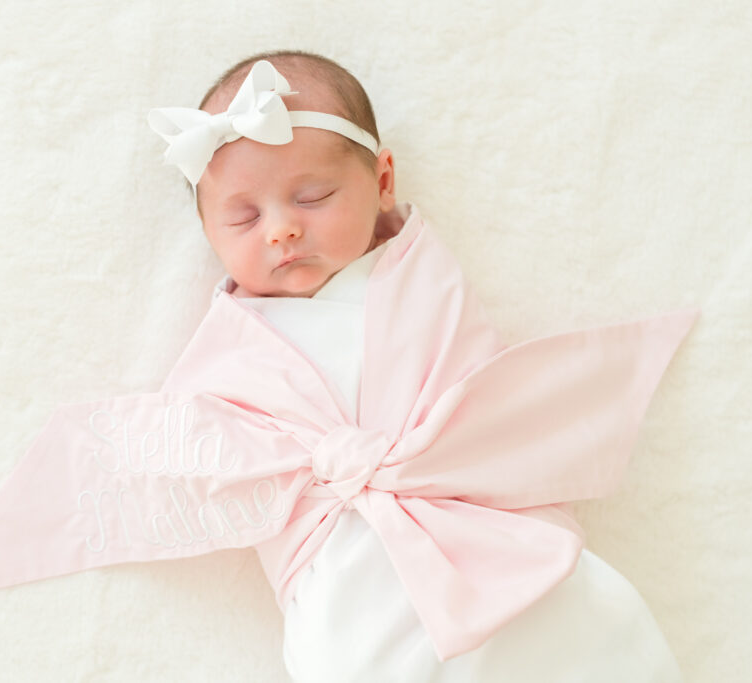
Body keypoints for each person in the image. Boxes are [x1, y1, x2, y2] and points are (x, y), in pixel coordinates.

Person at [152, 50, 684, 681]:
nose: (281, 230)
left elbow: (475, 391)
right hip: (344, 573)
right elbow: (196, 455)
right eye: (244, 216)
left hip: (472, 532)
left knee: (561, 625)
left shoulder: (412, 279)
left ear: (381, 185)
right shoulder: (233, 345)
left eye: (314, 196)